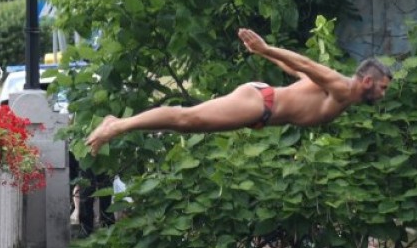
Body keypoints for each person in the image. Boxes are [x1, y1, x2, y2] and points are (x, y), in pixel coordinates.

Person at [86, 28, 392, 154]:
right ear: (367, 81)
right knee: (186, 119)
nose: (383, 94)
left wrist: (263, 53)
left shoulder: (338, 92)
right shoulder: (341, 87)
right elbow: (307, 64)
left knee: (187, 122)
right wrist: (266, 47)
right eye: (382, 88)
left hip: (260, 105)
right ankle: (117, 125)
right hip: (260, 104)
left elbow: (296, 71)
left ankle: (120, 125)